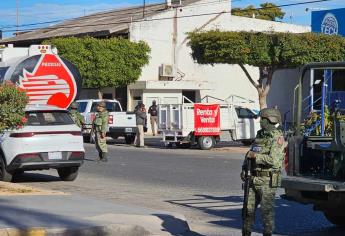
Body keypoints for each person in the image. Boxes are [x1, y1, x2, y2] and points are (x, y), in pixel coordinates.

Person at [241, 108, 286, 236]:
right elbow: (250, 154)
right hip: (252, 178)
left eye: (263, 119)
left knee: (266, 213)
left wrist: (256, 156)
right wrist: (244, 168)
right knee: (247, 211)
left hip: (267, 180)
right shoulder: (260, 135)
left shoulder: (277, 138)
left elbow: (274, 161)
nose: (260, 121)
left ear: (270, 120)